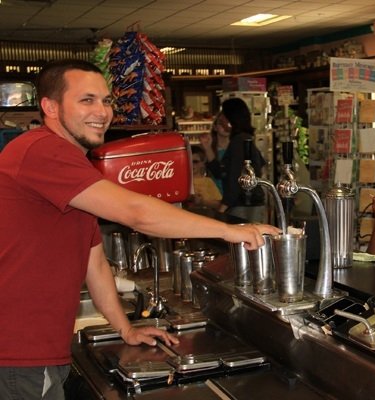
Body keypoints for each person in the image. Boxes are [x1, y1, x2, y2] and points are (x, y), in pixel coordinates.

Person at [0, 59, 280, 400]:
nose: (102, 112)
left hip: (36, 349)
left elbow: (95, 263)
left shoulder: (74, 170)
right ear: (50, 107)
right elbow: (137, 213)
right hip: (18, 353)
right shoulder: (43, 150)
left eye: (106, 101)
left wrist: (126, 328)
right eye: (86, 100)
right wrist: (230, 231)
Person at [201, 97, 266, 223]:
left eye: (223, 116)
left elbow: (235, 179)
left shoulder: (238, 141)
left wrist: (223, 208)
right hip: (249, 203)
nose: (221, 120)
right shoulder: (245, 139)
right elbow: (222, 173)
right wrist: (208, 148)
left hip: (242, 205)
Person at [200, 110, 230, 194]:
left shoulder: (236, 148)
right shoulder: (209, 148)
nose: (225, 126)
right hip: (213, 195)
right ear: (215, 127)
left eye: (228, 123)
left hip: (232, 197)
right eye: (221, 123)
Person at [189, 145, 222, 209]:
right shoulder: (182, 183)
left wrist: (203, 202)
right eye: (188, 161)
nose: (191, 164)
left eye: (195, 162)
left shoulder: (208, 181)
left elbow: (218, 204)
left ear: (202, 163)